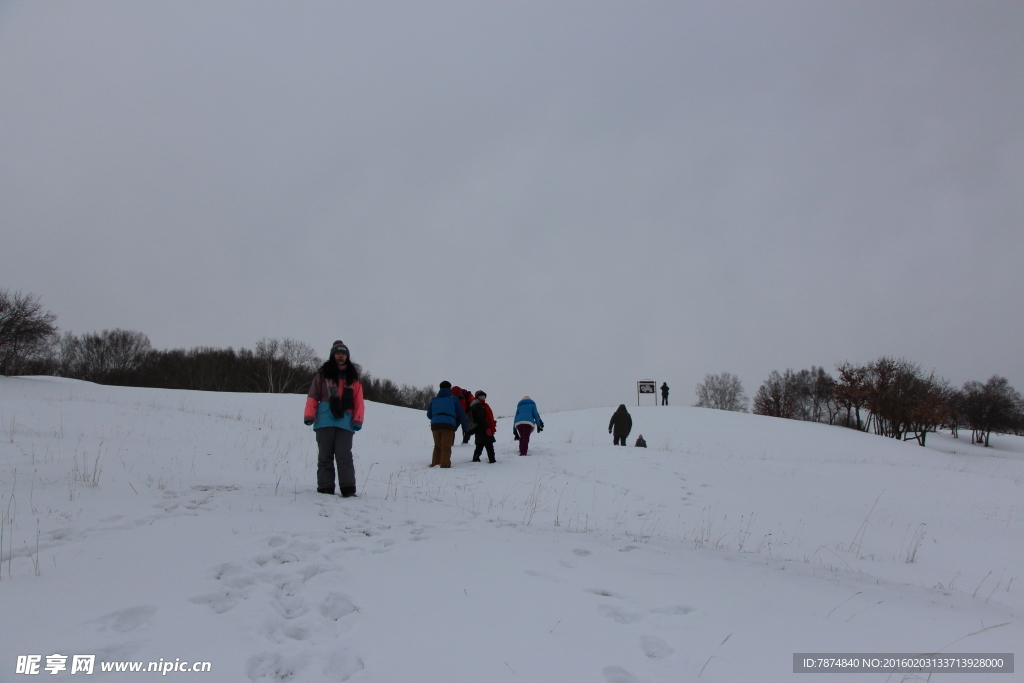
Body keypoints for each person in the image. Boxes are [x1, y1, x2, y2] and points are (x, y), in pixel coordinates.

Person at [303, 340, 365, 497]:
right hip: (324, 419)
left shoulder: (353, 378)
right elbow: (313, 396)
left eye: (343, 354)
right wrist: (309, 414)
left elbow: (359, 401)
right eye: (338, 353)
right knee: (325, 456)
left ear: (347, 357)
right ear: (332, 355)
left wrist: (357, 419)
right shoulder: (322, 375)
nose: (340, 356)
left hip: (346, 420)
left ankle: (348, 488)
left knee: (344, 455)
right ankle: (325, 488)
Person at [427, 381, 468, 468]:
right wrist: (465, 427)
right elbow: (461, 413)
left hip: (435, 425)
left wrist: (437, 418)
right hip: (448, 425)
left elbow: (429, 415)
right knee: (446, 447)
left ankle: (435, 464)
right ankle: (444, 466)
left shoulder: (434, 400)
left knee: (437, 446)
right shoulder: (453, 399)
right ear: (450, 388)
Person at [468, 390, 497, 463]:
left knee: (480, 444)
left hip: (479, 428)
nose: (483, 397)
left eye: (484, 396)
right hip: (483, 428)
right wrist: (487, 427)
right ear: (477, 397)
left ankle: (476, 458)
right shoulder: (478, 405)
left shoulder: (481, 405)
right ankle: (492, 460)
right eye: (481, 396)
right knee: (489, 445)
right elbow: (481, 417)